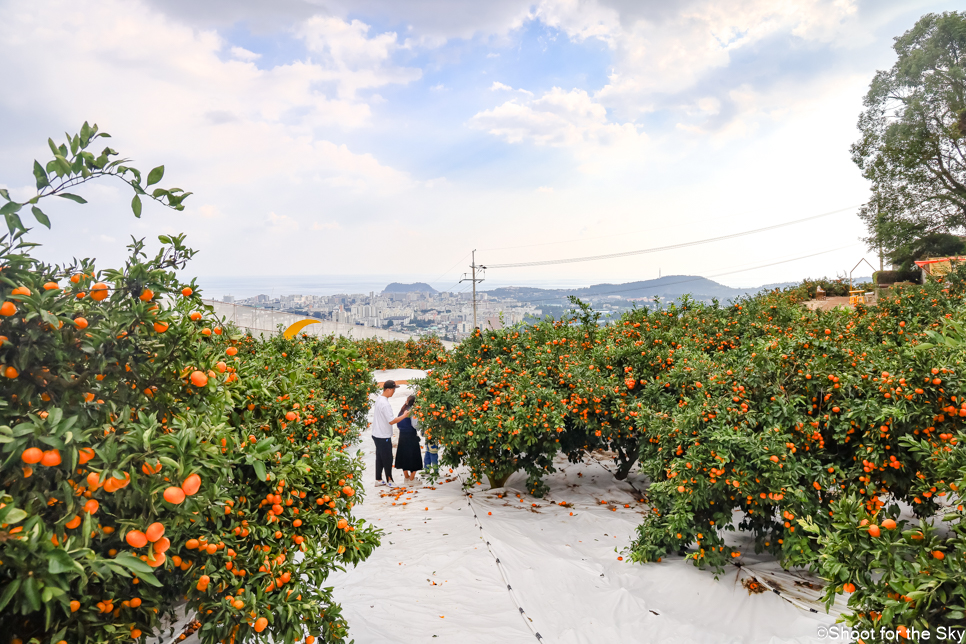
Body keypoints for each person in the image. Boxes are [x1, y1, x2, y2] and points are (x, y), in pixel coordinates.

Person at [370, 380, 410, 487]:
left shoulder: (379, 399)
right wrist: (404, 415)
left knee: (380, 456)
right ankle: (389, 480)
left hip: (376, 433)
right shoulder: (385, 404)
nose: (393, 392)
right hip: (383, 435)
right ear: (388, 389)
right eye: (393, 390)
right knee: (387, 458)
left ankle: (378, 479)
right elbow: (391, 421)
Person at [393, 395, 422, 484]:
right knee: (414, 457)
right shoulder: (413, 411)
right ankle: (412, 479)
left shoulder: (402, 409)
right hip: (411, 435)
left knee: (404, 456)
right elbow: (416, 425)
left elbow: (398, 423)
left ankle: (406, 477)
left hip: (402, 436)